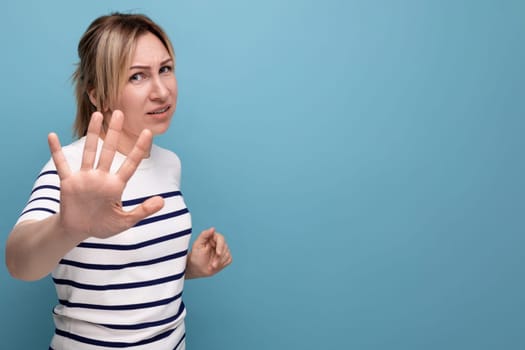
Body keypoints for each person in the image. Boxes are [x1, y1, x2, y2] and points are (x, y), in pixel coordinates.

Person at [5, 12, 232, 349]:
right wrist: (69, 227)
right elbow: (18, 262)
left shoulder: (169, 164)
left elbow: (121, 275)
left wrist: (186, 267)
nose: (161, 91)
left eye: (165, 69)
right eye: (137, 77)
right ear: (97, 96)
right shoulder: (71, 169)